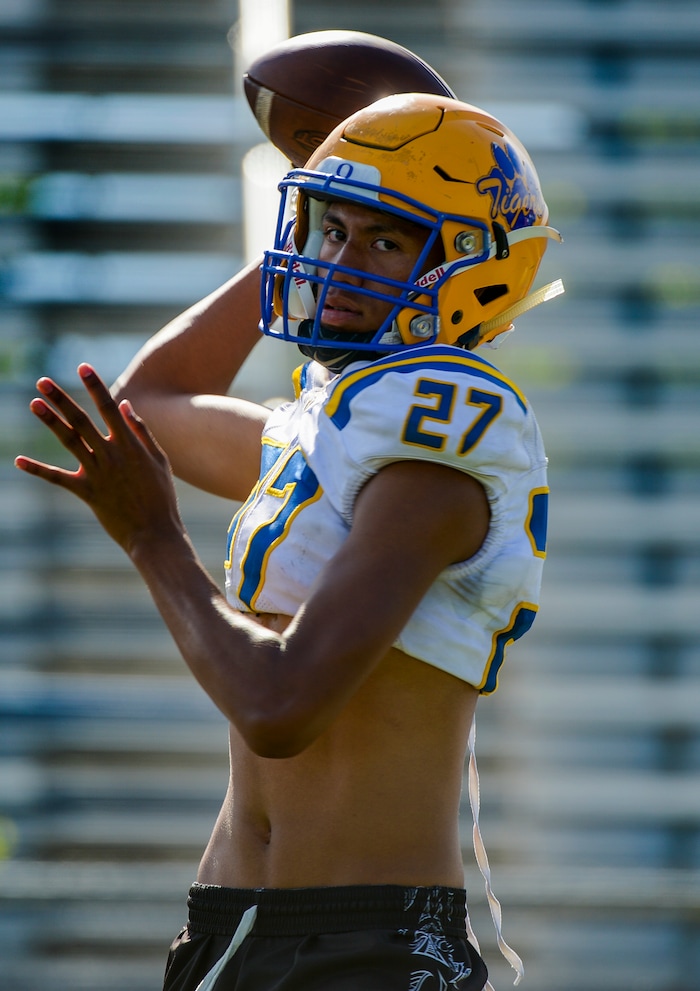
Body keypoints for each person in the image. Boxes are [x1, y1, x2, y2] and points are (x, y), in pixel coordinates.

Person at [15, 93, 563, 990]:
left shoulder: (444, 430)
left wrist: (153, 537)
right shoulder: (329, 421)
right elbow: (146, 407)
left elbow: (280, 704)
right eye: (329, 230)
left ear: (474, 269)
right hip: (231, 929)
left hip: (365, 943)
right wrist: (341, 166)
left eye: (385, 240)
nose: (340, 266)